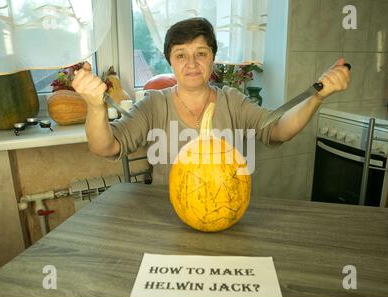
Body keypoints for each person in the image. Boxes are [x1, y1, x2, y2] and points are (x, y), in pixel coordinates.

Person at [72, 17, 350, 185]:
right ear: (170, 61)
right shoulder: (154, 105)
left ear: (212, 58)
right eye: (181, 55)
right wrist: (95, 106)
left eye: (201, 53)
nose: (191, 63)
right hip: (168, 215)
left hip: (227, 210)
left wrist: (318, 96)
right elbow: (105, 147)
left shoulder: (232, 101)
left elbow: (279, 129)